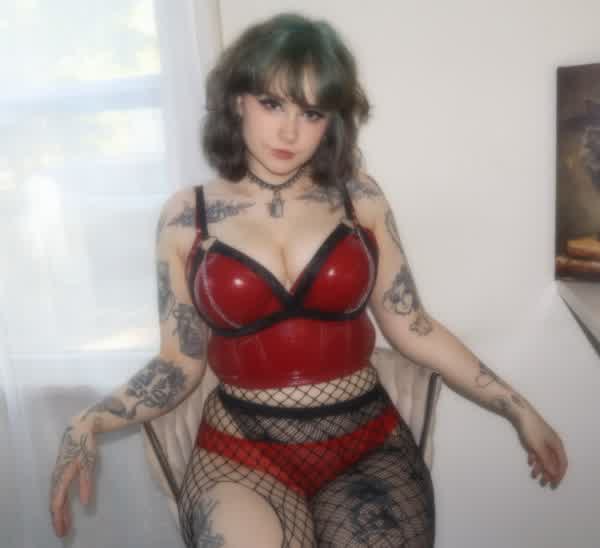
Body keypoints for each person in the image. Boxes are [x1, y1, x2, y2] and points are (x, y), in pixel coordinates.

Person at [50, 12, 568, 548]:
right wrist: (91, 420)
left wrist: (518, 409)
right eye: (272, 103)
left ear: (331, 121)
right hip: (241, 453)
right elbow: (177, 362)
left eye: (312, 112)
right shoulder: (187, 216)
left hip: (365, 446)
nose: (290, 132)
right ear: (237, 100)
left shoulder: (359, 197)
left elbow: (412, 325)